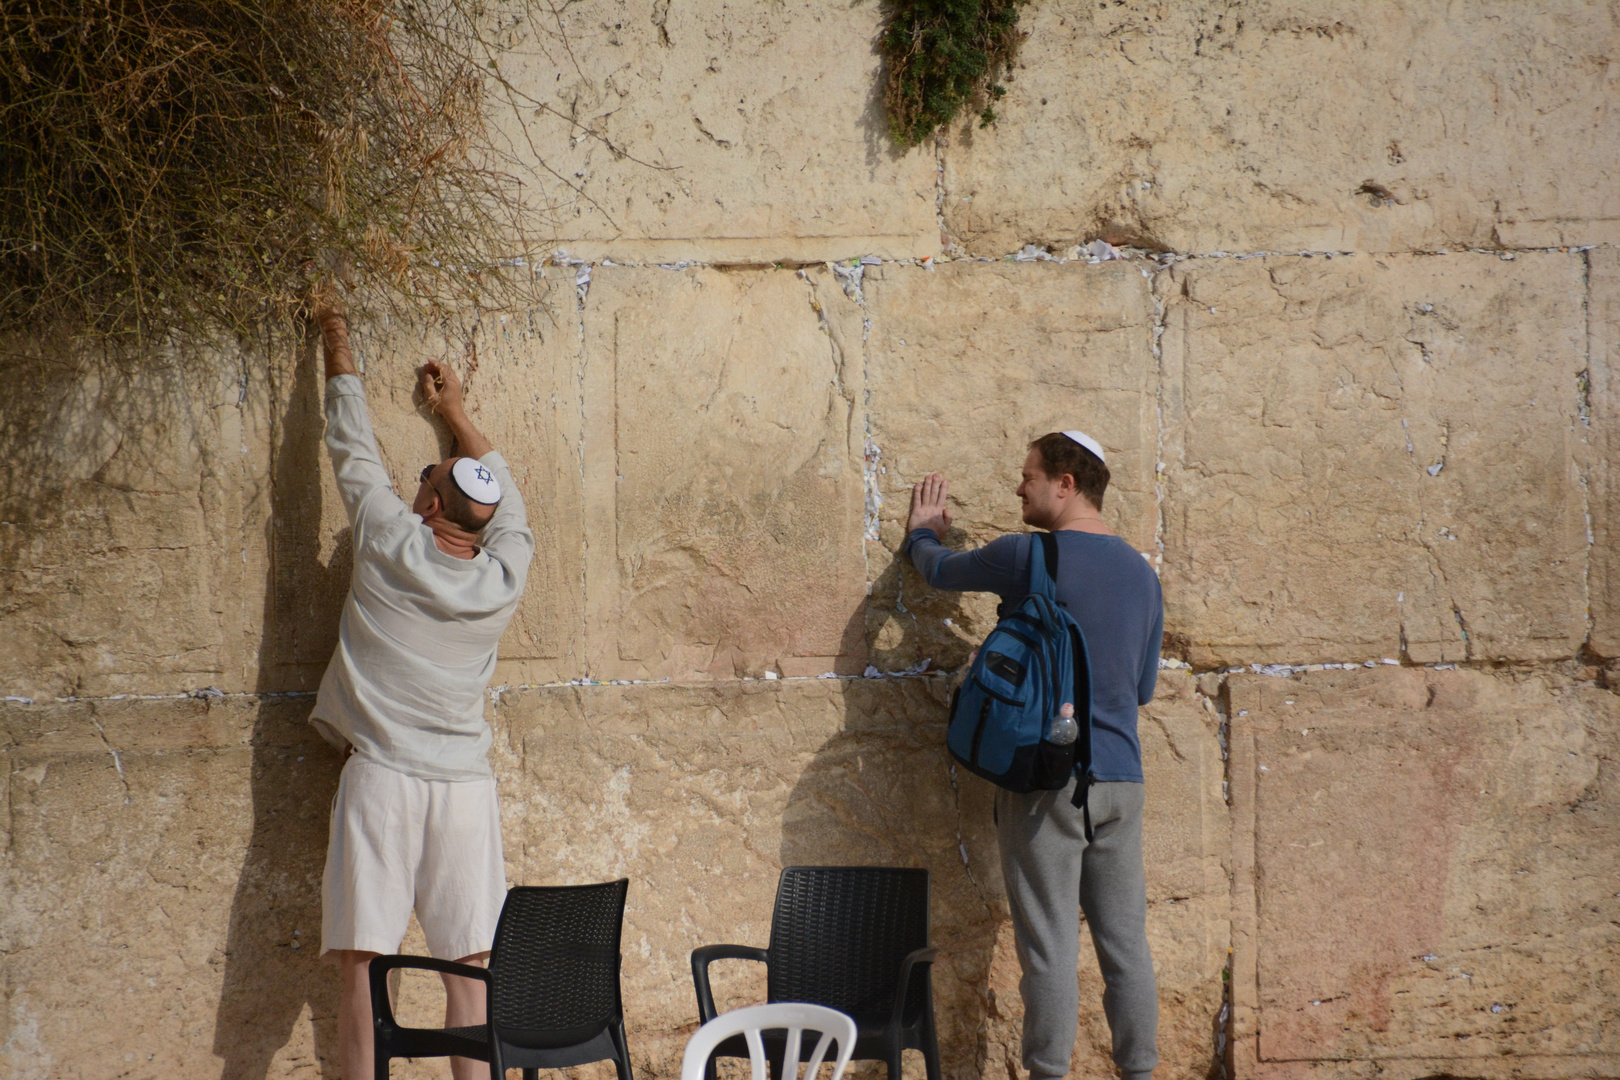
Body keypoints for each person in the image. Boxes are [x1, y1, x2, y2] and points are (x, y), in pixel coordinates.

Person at [309, 295, 535, 1080]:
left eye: (424, 475)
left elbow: (350, 444)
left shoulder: (386, 541)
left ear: (429, 504)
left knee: (363, 972)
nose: (414, 481)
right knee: (469, 973)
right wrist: (457, 416)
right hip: (465, 790)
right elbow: (507, 506)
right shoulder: (503, 578)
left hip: (384, 781)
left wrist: (337, 338)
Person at [904, 431, 1163, 1080]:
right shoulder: (1142, 574)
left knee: (1049, 950)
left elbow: (938, 573)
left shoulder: (1026, 557)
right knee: (1126, 950)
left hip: (1048, 784)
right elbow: (1143, 690)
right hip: (1122, 784)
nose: (1019, 488)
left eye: (1028, 476)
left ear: (1066, 484)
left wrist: (923, 533)